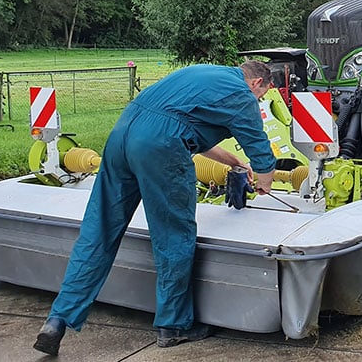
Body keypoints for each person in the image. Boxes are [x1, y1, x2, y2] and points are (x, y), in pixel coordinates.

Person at [33, 60, 278, 356]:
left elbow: (179, 122)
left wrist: (233, 162)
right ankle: (173, 325)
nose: (259, 101)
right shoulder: (241, 93)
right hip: (160, 146)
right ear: (257, 83)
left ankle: (57, 319)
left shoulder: (201, 73)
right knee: (173, 236)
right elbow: (256, 143)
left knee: (98, 232)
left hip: (123, 135)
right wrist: (265, 180)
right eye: (261, 96)